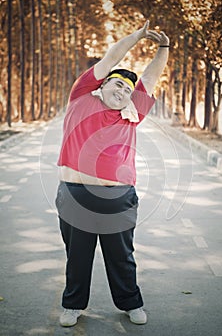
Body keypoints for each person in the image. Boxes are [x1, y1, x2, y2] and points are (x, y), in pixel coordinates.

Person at [55, 20, 169, 327]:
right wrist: (137, 36)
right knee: (77, 257)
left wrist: (163, 48)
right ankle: (72, 305)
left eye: (128, 89)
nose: (123, 90)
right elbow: (111, 58)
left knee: (121, 258)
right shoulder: (80, 98)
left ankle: (131, 303)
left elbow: (152, 76)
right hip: (75, 194)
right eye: (118, 83)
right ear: (101, 84)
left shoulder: (132, 115)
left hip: (118, 197)